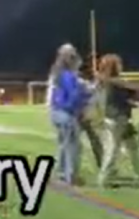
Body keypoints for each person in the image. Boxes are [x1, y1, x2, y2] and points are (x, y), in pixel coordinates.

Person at [94, 54, 139, 188]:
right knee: (113, 149)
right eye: (118, 64)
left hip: (118, 118)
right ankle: (104, 177)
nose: (121, 66)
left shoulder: (107, 82)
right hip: (118, 119)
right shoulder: (114, 83)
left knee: (132, 147)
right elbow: (126, 99)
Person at [47, 44, 88, 185]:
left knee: (63, 145)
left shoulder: (56, 72)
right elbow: (73, 96)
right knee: (73, 146)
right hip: (66, 113)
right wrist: (86, 95)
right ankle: (71, 176)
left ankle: (61, 172)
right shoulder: (68, 75)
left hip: (55, 112)